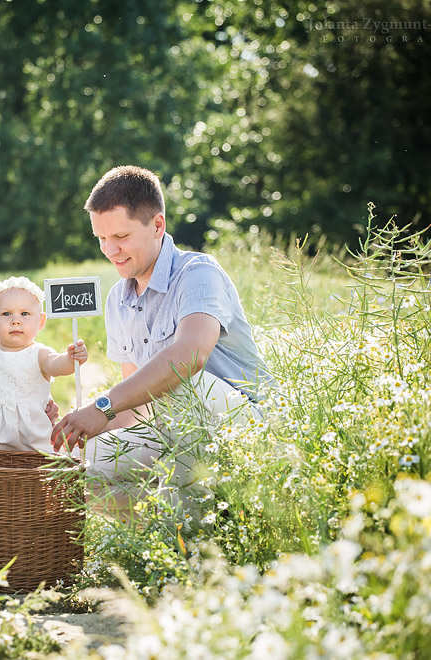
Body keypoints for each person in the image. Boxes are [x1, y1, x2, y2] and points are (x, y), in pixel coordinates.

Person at [50, 165, 272, 511]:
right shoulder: (118, 299)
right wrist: (80, 425)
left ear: (157, 226)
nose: (110, 250)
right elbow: (136, 407)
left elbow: (190, 356)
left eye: (121, 236)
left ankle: (187, 522)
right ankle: (164, 522)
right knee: (80, 463)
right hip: (173, 430)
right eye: (101, 238)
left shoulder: (198, 273)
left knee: (181, 382)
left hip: (243, 430)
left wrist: (102, 407)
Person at [0, 277, 88, 453]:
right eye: (6, 314)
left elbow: (56, 365)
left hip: (32, 436)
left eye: (24, 314)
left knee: (49, 456)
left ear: (41, 321)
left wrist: (70, 358)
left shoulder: (39, 353)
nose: (15, 320)